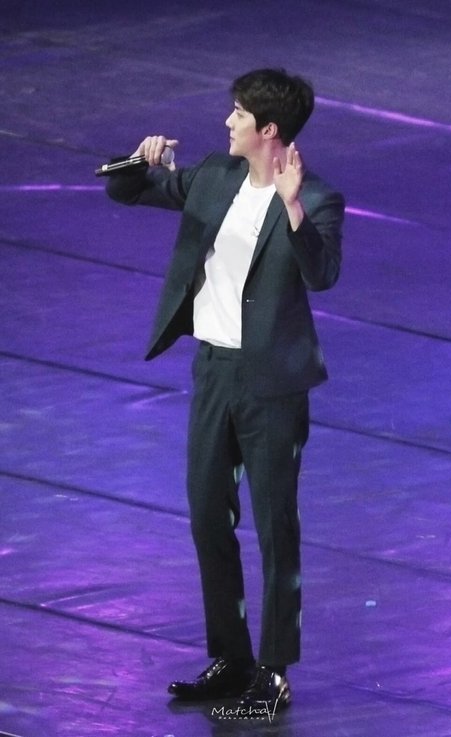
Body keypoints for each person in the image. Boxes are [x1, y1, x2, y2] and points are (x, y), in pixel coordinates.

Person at [105, 68, 344, 713]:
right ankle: (232, 658)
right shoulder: (216, 175)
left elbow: (322, 274)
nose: (227, 122)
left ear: (269, 129)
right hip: (213, 372)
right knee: (208, 516)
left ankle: (274, 672)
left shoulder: (317, 197)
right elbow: (127, 190)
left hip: (273, 384)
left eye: (238, 113)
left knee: (274, 525)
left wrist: (292, 208)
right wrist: (138, 160)